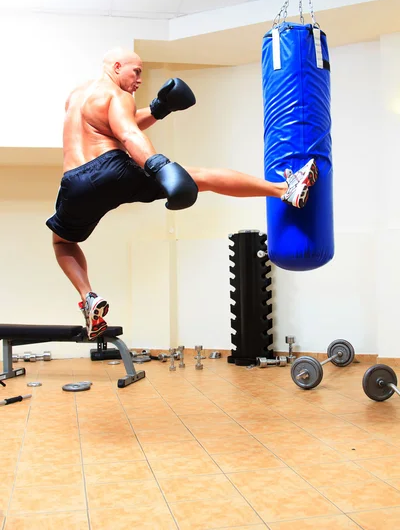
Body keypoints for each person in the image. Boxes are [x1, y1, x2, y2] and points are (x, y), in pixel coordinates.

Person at [46, 47, 318, 340]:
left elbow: (113, 125)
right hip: (112, 170)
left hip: (74, 183)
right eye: (136, 71)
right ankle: (284, 189)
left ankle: (87, 297)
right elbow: (127, 134)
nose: (139, 79)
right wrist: (157, 164)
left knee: (63, 243)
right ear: (116, 66)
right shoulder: (119, 96)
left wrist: (158, 109)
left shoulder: (76, 96)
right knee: (202, 177)